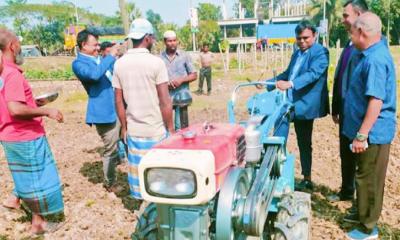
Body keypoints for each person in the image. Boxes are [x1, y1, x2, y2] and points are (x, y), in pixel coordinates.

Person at [0, 28, 64, 234]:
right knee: (39, 180)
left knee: (26, 179)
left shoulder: (4, 73)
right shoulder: (12, 74)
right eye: (18, 43)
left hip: (11, 135)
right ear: (12, 46)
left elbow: (11, 103)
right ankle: (38, 224)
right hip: (25, 135)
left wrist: (34, 103)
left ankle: (21, 204)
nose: (20, 47)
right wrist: (47, 111)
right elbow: (15, 109)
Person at [343, 13, 397, 240]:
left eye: (352, 33)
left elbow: (376, 101)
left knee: (370, 180)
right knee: (363, 176)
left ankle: (368, 228)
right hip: (366, 132)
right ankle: (362, 215)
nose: (351, 37)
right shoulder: (368, 54)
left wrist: (362, 134)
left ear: (362, 33)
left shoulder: (375, 60)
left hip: (373, 134)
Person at [112, 19, 174, 199]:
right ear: (147, 38)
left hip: (134, 130)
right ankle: (158, 202)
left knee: (139, 170)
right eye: (152, 37)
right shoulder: (156, 63)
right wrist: (170, 129)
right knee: (158, 171)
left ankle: (141, 202)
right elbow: (164, 100)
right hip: (155, 129)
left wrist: (124, 127)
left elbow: (118, 101)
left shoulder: (120, 64)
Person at [265, 20, 329, 191]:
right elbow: (287, 73)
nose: (301, 41)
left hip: (305, 103)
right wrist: (269, 83)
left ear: (314, 35)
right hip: (289, 102)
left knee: (304, 141)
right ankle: (276, 167)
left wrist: (291, 84)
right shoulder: (296, 53)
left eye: (305, 38)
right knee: (278, 130)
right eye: (298, 38)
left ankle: (307, 178)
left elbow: (313, 74)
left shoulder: (321, 52)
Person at [72, 30, 123, 192]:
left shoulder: (99, 59)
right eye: (94, 44)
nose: (97, 47)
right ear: (83, 45)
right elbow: (94, 75)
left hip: (119, 107)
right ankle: (110, 183)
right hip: (104, 113)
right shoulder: (79, 64)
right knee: (111, 149)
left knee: (126, 142)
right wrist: (110, 56)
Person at [329, 0, 369, 203]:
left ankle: (360, 204)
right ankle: (346, 192)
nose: (342, 19)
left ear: (360, 15)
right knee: (345, 153)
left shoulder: (369, 45)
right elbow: (340, 77)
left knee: (360, 158)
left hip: (359, 112)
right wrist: (336, 107)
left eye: (346, 15)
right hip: (345, 110)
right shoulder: (349, 42)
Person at [161, 30, 197, 130]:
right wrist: (165, 84)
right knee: (166, 127)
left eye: (174, 40)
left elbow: (194, 75)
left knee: (180, 127)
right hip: (166, 97)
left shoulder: (184, 56)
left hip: (181, 96)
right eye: (169, 41)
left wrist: (181, 80)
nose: (172, 43)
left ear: (177, 41)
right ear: (165, 42)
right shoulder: (160, 58)